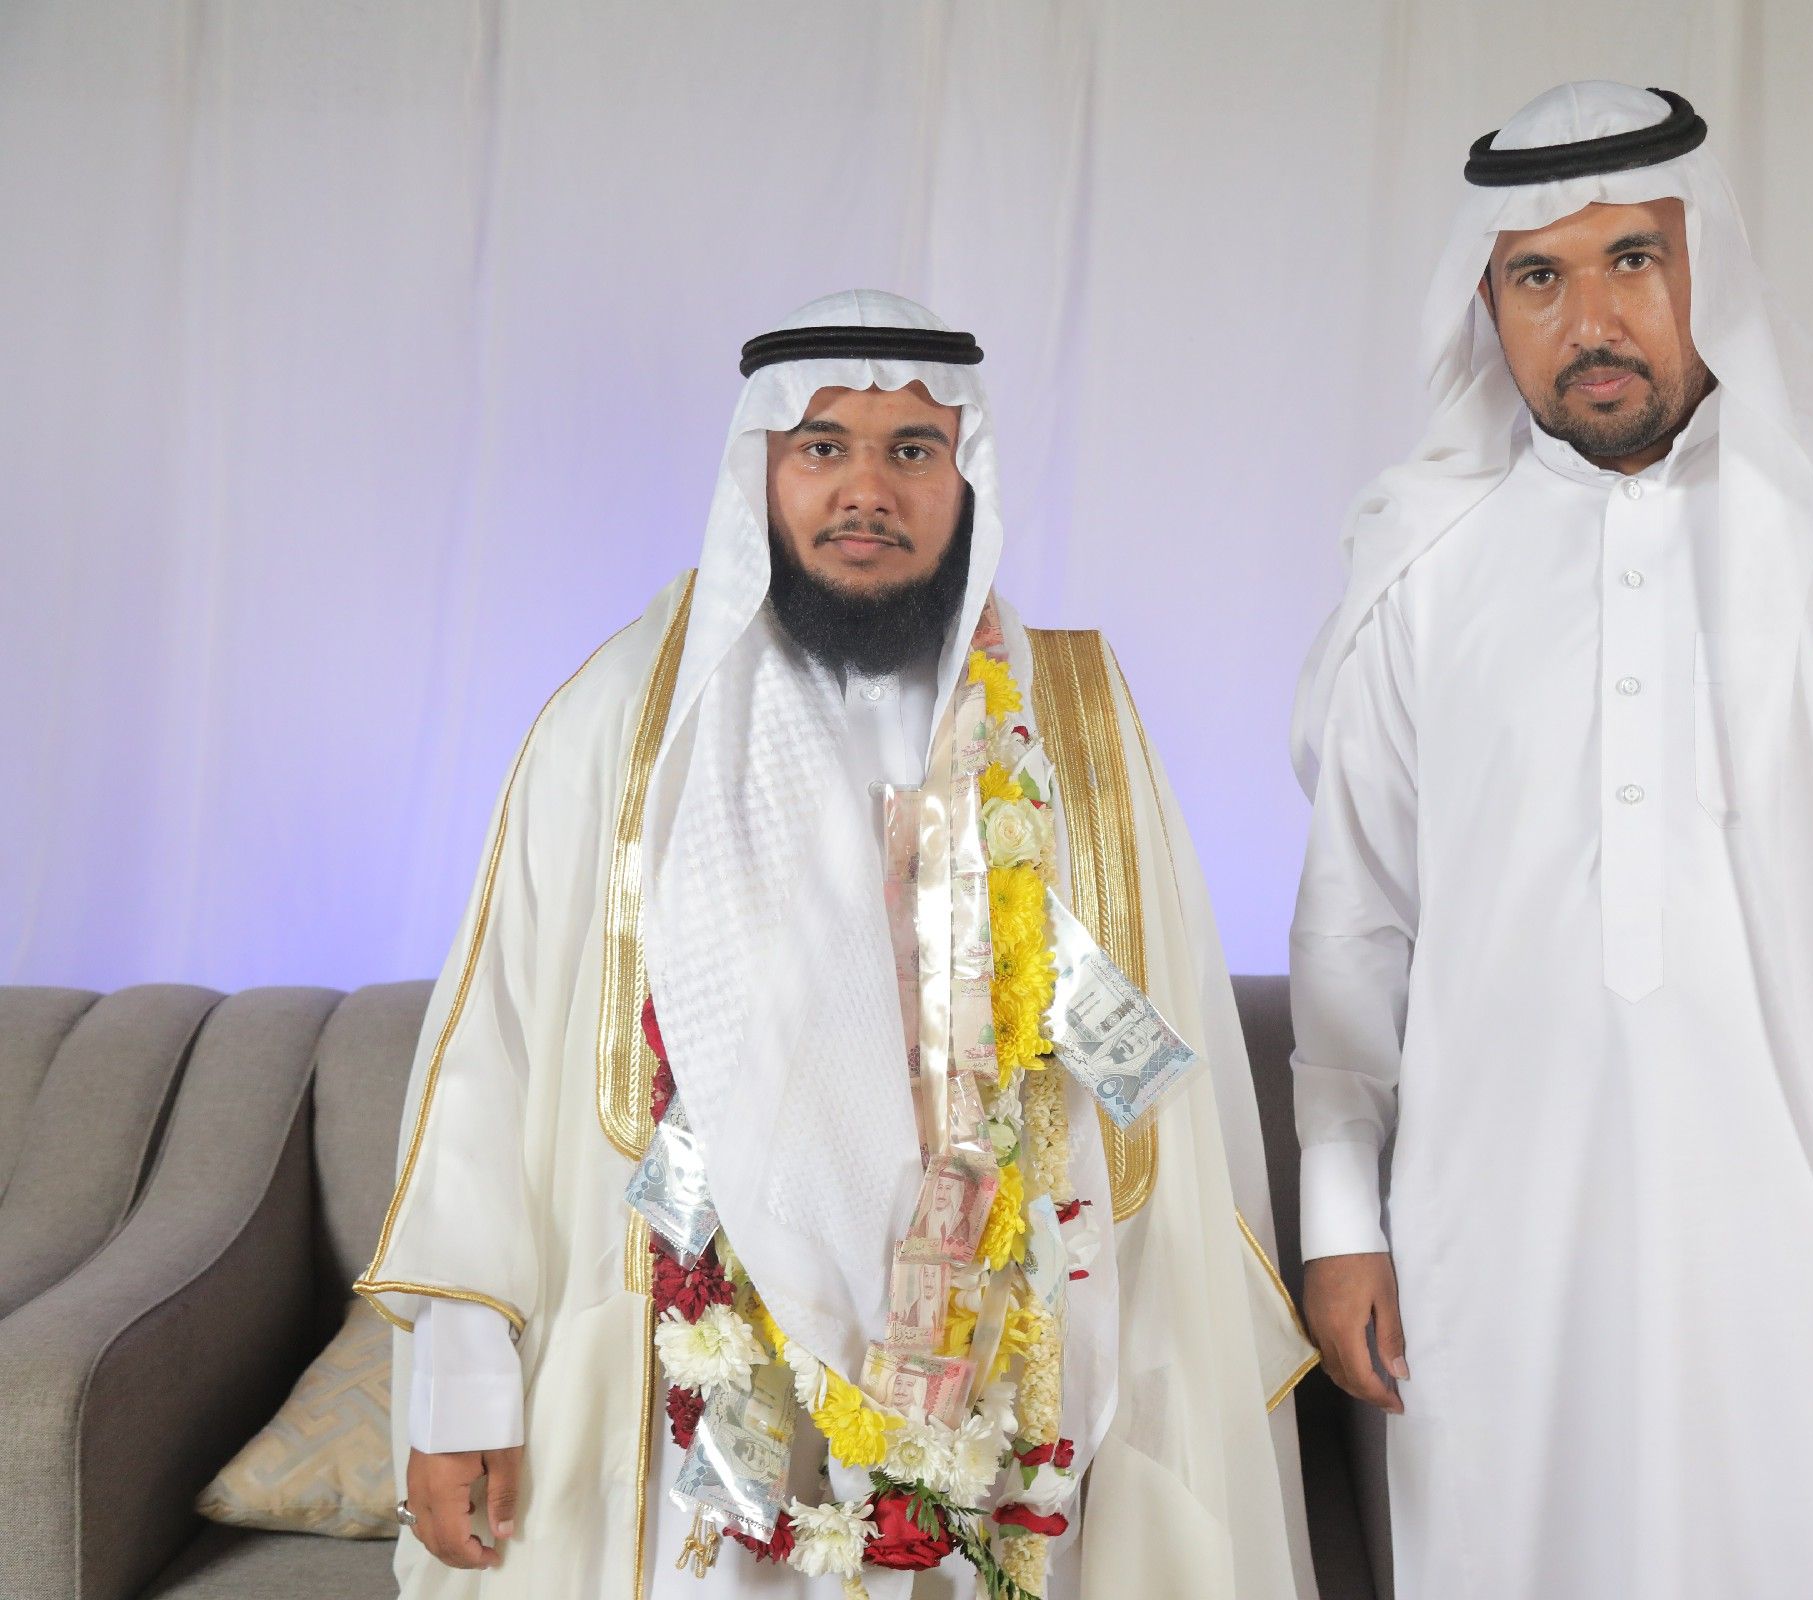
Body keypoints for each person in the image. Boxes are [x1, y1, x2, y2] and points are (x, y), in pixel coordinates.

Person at [360, 290, 1317, 1600]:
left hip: (1007, 1371)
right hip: (691, 1380)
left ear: (966, 480)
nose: (867, 489)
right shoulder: (621, 724)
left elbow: (1159, 1074)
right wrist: (465, 1382)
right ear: (759, 471)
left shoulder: (1073, 723)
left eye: (912, 451)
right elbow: (496, 1054)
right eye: (823, 448)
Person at [1289, 81, 1813, 1598]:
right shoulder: (1422, 565)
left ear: (1711, 271)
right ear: (1488, 305)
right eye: (1538, 276)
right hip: (1499, 1239)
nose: (1592, 320)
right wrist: (1338, 1219)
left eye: (1634, 259)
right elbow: (1355, 920)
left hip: (1805, 1216)